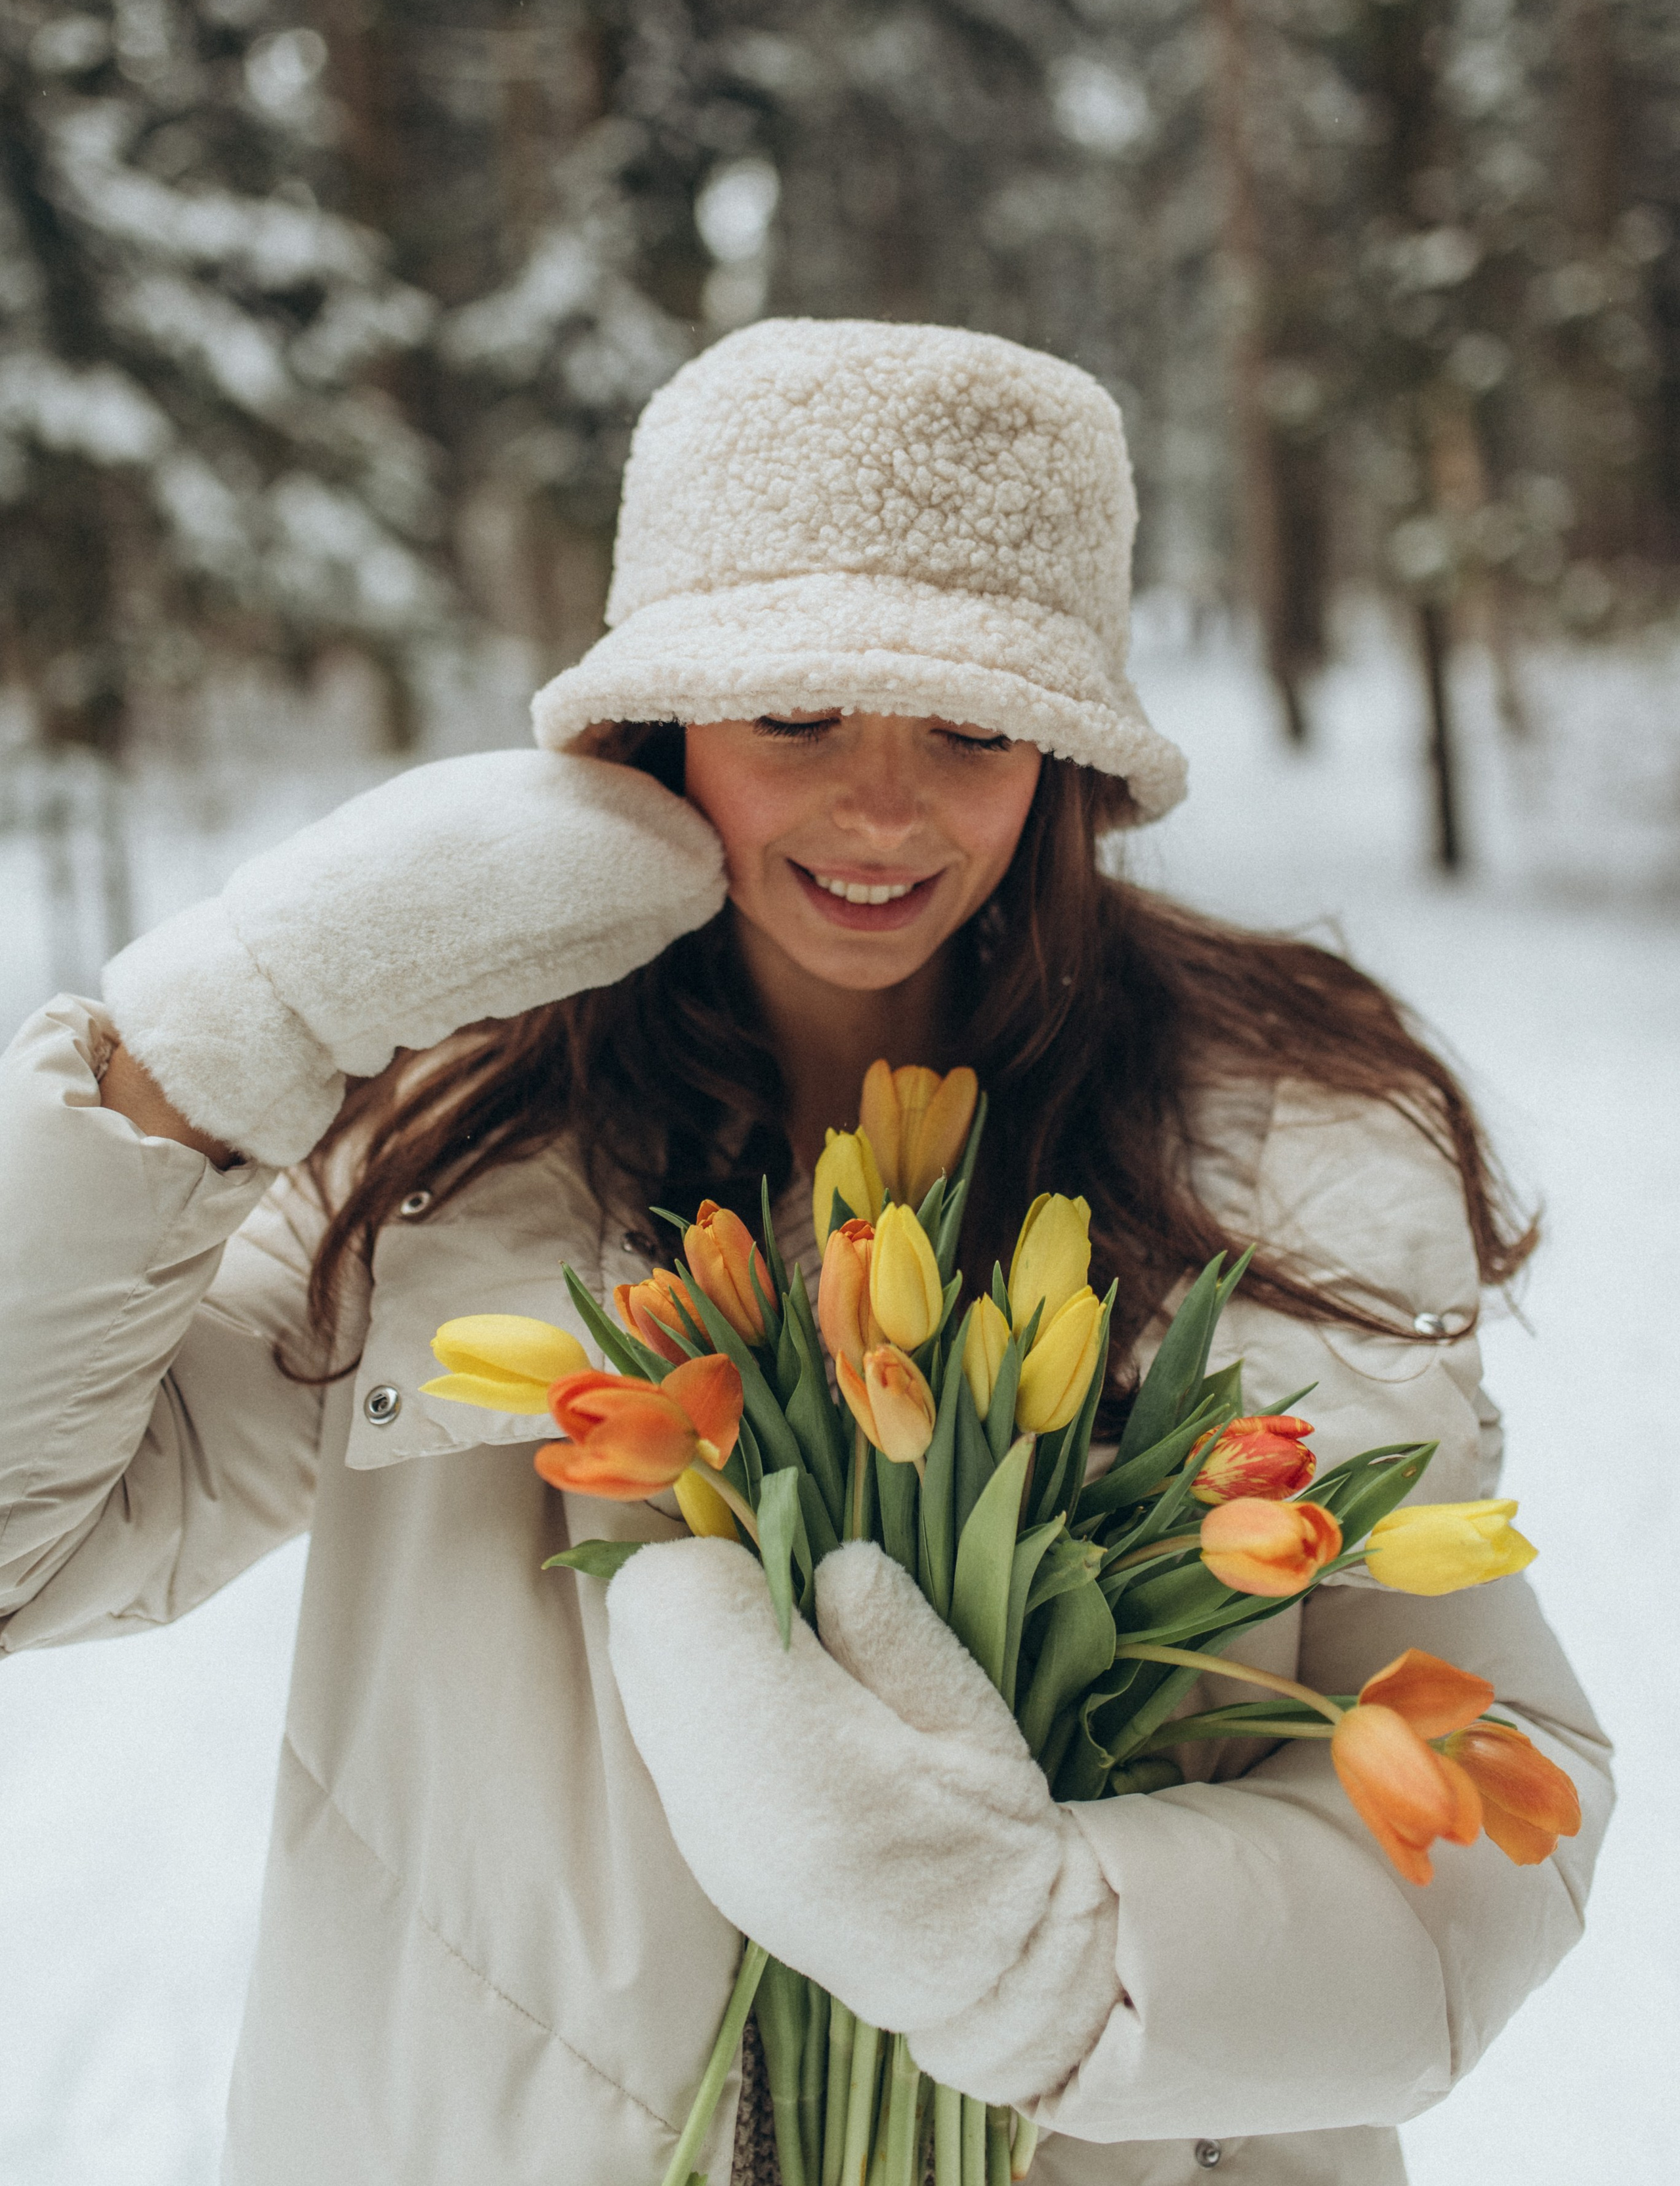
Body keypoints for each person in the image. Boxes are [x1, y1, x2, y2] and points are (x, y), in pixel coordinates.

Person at [0, 320, 1608, 2186]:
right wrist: (199, 1052)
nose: (883, 807)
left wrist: (1048, 1953)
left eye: (974, 728)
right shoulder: (451, 1145)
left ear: (1069, 748)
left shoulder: (1277, 1149)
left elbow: (1505, 1803)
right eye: (796, 717)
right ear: (661, 720)